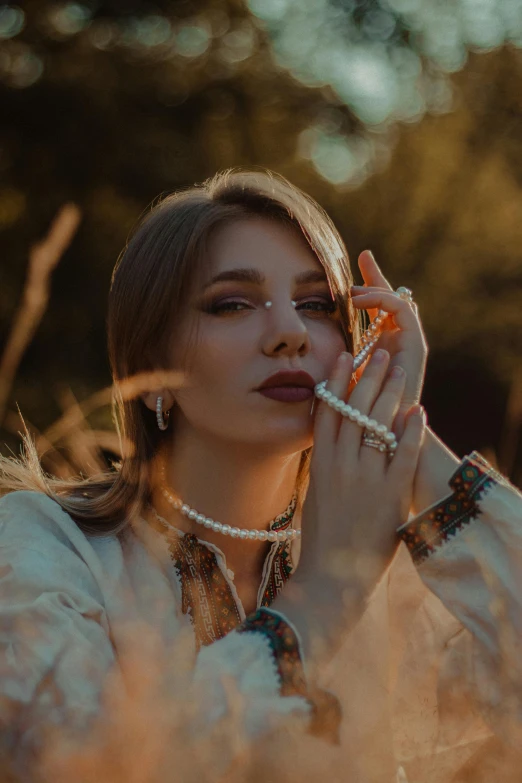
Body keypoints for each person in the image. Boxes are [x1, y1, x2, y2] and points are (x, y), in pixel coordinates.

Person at [1, 168, 521, 782]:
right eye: (232, 304)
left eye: (315, 305)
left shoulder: (403, 575)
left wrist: (404, 429)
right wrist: (323, 595)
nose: (290, 334)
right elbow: (70, 761)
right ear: (148, 364)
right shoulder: (45, 545)